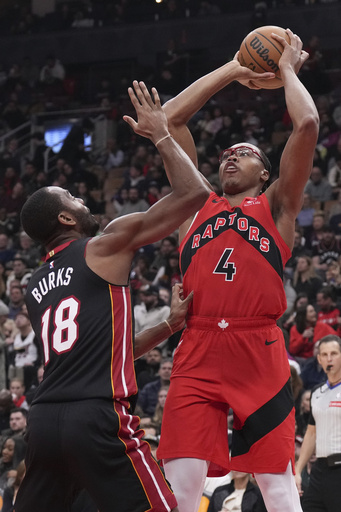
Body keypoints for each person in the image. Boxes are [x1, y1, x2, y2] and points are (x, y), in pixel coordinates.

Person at [14, 81, 210, 512]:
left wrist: (169, 325)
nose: (81, 198)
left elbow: (106, 353)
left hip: (44, 421)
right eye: (73, 197)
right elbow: (196, 194)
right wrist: (160, 131)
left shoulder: (32, 285)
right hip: (97, 417)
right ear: (66, 217)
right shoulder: (103, 245)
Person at [155, 29, 319, 512]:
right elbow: (169, 120)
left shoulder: (279, 207)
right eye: (226, 153)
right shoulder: (193, 206)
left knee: (276, 483)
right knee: (181, 486)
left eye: (244, 153)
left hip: (258, 345)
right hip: (198, 347)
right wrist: (234, 69)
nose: (230, 155)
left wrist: (286, 68)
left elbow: (306, 122)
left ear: (265, 174)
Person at [295, 334, 341, 511]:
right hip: (318, 471)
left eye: (334, 353)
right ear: (319, 359)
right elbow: (311, 433)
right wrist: (298, 471)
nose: (329, 358)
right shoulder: (316, 392)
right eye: (325, 354)